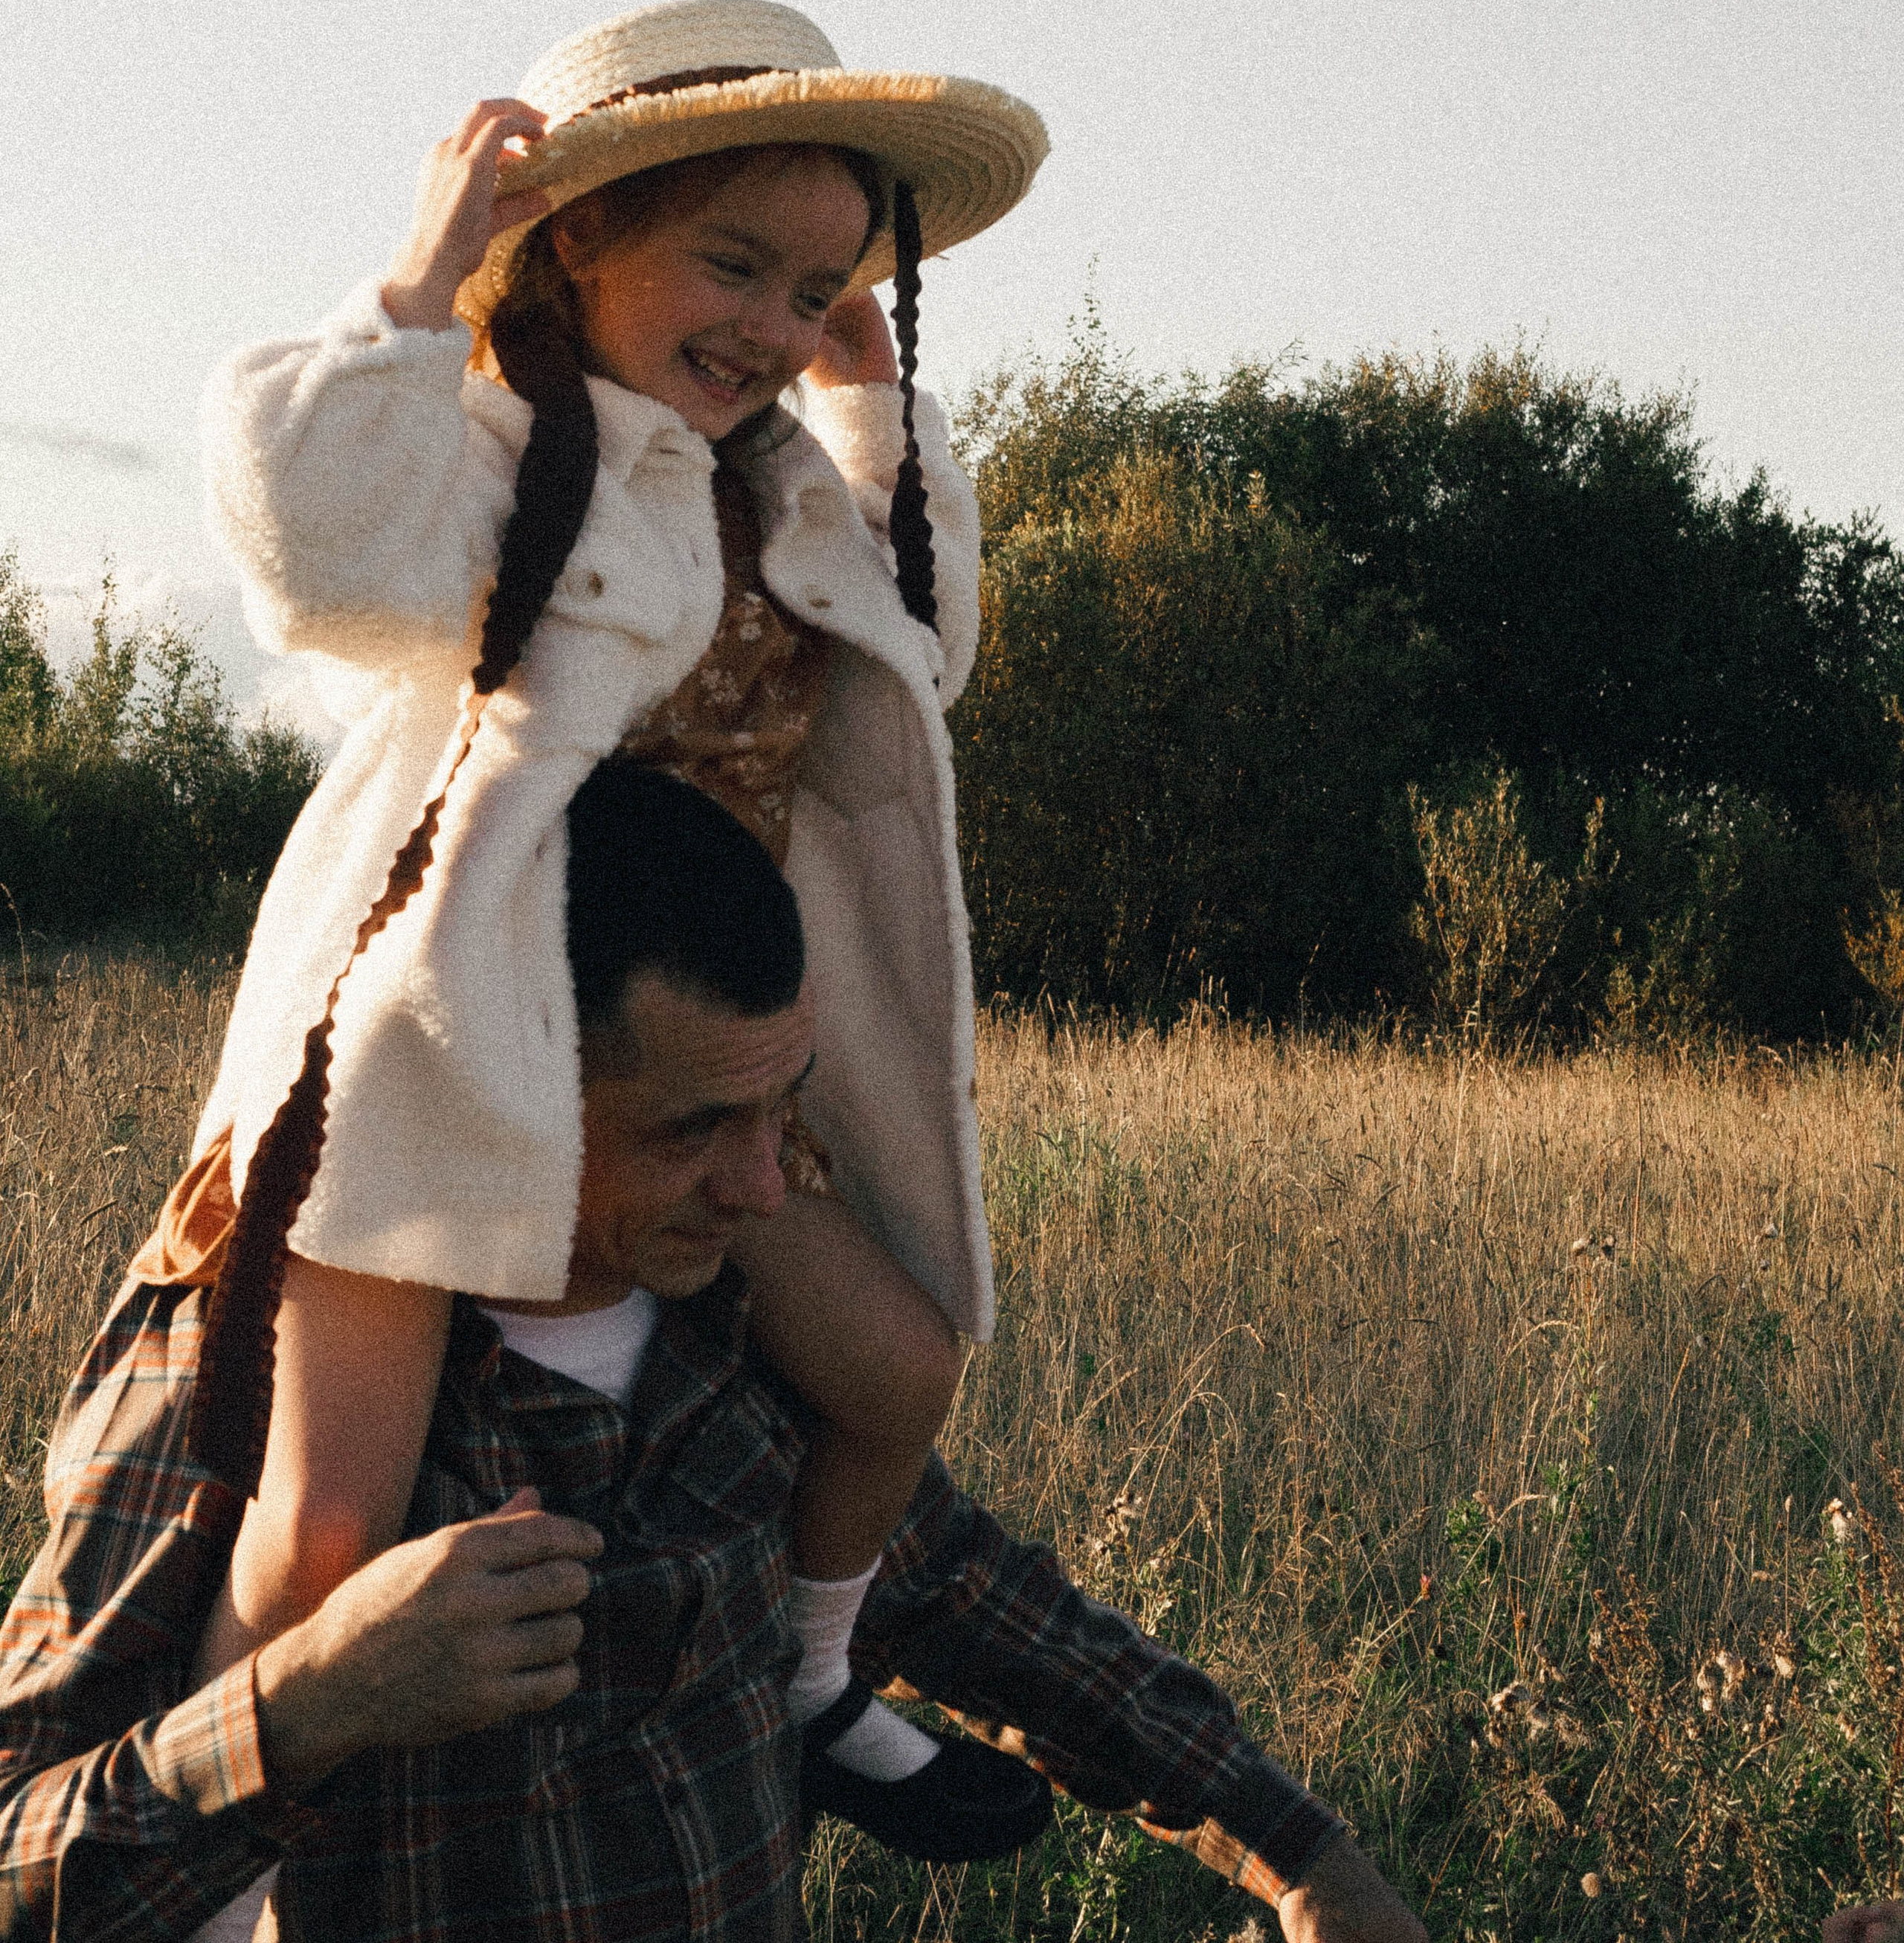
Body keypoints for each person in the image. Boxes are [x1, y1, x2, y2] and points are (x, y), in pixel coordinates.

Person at [0, 760, 1425, 1943]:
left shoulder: (735, 1326)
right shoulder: (248, 1373)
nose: (764, 1187)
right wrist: (310, 1704)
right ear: (507, 1099)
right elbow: (22, 1868)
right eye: (692, 1131)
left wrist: (1299, 1851)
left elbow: (966, 1595)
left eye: (780, 1115)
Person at [168, 0, 1051, 1852]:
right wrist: (415, 286)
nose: (770, 326)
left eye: (814, 289)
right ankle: (220, 1832)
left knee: (898, 1370)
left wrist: (872, 407)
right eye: (731, 264)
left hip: (695, 1052)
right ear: (574, 241)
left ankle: (812, 1675)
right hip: (445, 1043)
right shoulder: (505, 452)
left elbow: (928, 645)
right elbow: (310, 545)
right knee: (329, 1516)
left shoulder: (785, 489)